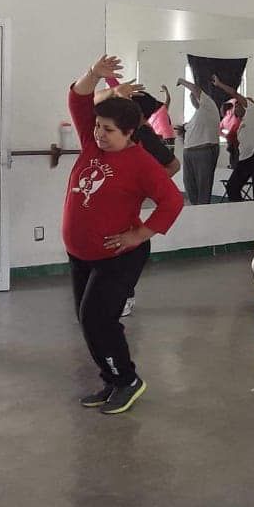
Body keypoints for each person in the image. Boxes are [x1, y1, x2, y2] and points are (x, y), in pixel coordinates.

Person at [64, 56, 185, 414]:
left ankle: (127, 380)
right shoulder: (91, 144)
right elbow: (77, 100)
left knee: (98, 320)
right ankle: (112, 380)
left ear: (130, 132)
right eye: (98, 127)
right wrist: (93, 74)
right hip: (81, 253)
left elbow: (172, 201)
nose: (100, 134)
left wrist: (139, 235)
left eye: (109, 130)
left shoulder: (141, 163)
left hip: (118, 256)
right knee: (88, 320)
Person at [95, 80, 181, 318]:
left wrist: (144, 185)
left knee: (128, 252)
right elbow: (87, 102)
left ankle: (125, 296)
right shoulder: (109, 139)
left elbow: (174, 166)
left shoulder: (144, 136)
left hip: (130, 226)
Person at [177, 76, 224, 205]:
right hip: (189, 152)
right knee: (190, 186)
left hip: (203, 151)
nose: (192, 99)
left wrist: (182, 81)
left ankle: (203, 211)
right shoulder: (198, 114)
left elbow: (196, 89)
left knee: (203, 187)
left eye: (193, 97)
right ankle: (195, 210)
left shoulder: (209, 105)